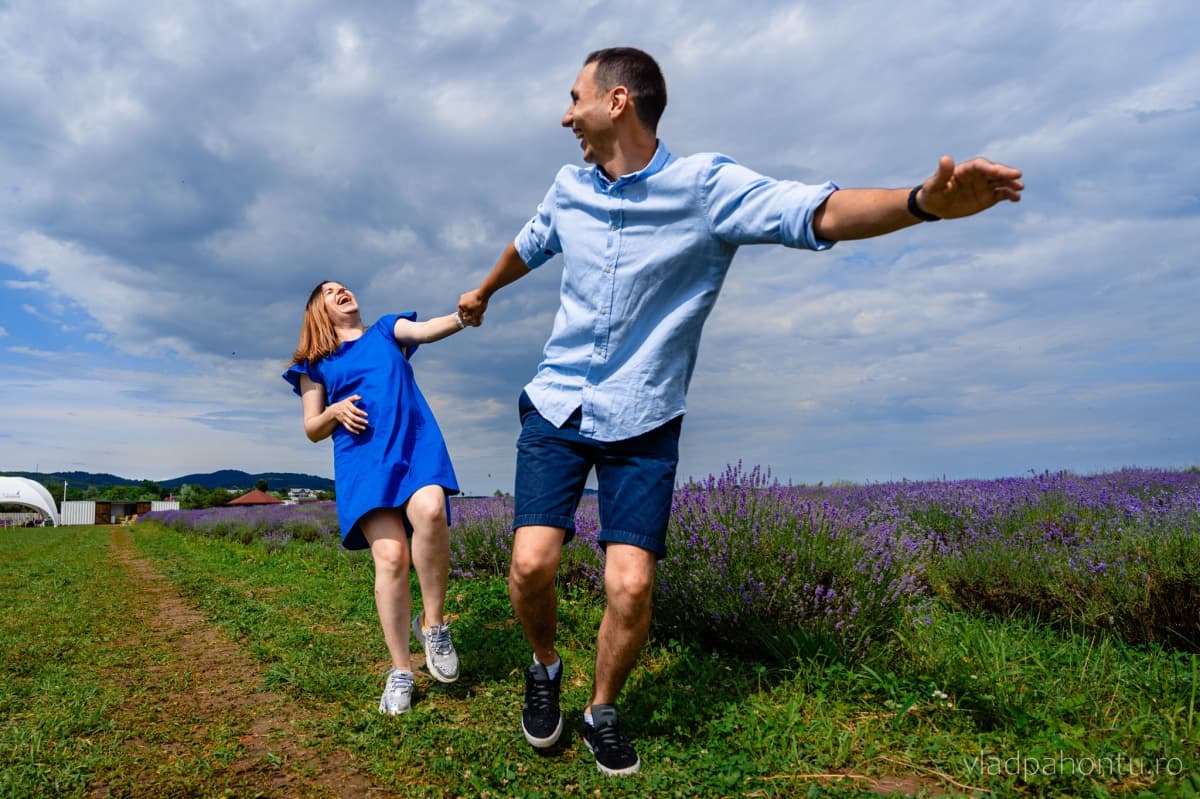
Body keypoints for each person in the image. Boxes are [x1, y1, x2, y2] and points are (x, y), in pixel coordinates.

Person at [458, 47, 1023, 775]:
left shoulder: (706, 187)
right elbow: (530, 243)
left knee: (630, 584)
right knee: (531, 563)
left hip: (644, 415)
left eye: (575, 97)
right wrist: (484, 291)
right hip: (558, 403)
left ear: (617, 101)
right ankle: (544, 666)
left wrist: (921, 203)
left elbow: (816, 211)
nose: (566, 115)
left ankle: (602, 709)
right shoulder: (569, 188)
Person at [284, 280, 473, 714]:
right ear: (318, 310)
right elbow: (312, 428)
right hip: (364, 463)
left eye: (343, 286)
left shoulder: (387, 329)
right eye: (330, 292)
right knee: (391, 558)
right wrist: (333, 411)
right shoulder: (314, 363)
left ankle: (434, 625)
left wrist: (462, 318)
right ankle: (401, 670)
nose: (341, 291)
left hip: (413, 447)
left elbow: (425, 330)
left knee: (431, 512)